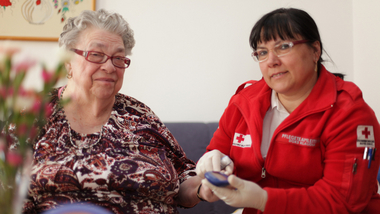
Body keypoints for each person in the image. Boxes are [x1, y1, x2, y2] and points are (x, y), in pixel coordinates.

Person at [195, 7, 380, 214]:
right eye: (262, 53)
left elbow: (342, 201)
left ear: (315, 51)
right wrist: (215, 165)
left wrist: (264, 199)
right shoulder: (243, 103)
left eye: (283, 47)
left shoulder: (350, 114)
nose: (272, 61)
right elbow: (216, 153)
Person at [22, 9, 204, 214]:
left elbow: (184, 179)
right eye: (96, 55)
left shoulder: (141, 115)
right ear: (67, 62)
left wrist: (204, 187)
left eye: (118, 58)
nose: (109, 67)